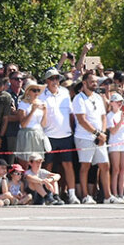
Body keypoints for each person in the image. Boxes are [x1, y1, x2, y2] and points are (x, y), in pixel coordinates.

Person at [38, 68, 77, 203]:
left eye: (57, 78)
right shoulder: (41, 95)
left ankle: (72, 194)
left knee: (68, 165)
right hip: (48, 135)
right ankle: (48, 193)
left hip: (65, 135)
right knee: (47, 166)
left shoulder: (65, 93)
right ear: (47, 81)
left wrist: (73, 131)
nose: (55, 81)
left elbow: (71, 114)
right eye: (52, 78)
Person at [72, 73, 111, 204]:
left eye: (96, 81)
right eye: (92, 81)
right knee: (85, 166)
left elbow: (103, 117)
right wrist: (97, 133)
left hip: (99, 137)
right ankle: (85, 196)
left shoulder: (99, 98)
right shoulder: (79, 98)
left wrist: (103, 133)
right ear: (84, 83)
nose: (95, 84)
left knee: (105, 165)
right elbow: (82, 120)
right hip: (84, 137)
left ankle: (108, 196)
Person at [106, 93, 124, 203]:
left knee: (123, 169)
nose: (120, 104)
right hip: (114, 144)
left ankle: (121, 194)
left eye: (121, 102)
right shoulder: (109, 116)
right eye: (117, 102)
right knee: (115, 169)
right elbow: (113, 131)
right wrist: (121, 120)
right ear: (112, 103)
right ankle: (115, 194)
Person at [15, 83, 49, 165]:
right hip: (26, 134)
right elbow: (23, 124)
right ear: (28, 92)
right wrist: (32, 111)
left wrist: (45, 112)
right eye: (34, 90)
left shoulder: (41, 103)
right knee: (25, 162)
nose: (36, 93)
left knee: (38, 161)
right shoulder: (23, 104)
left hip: (38, 133)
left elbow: (43, 124)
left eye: (38, 90)